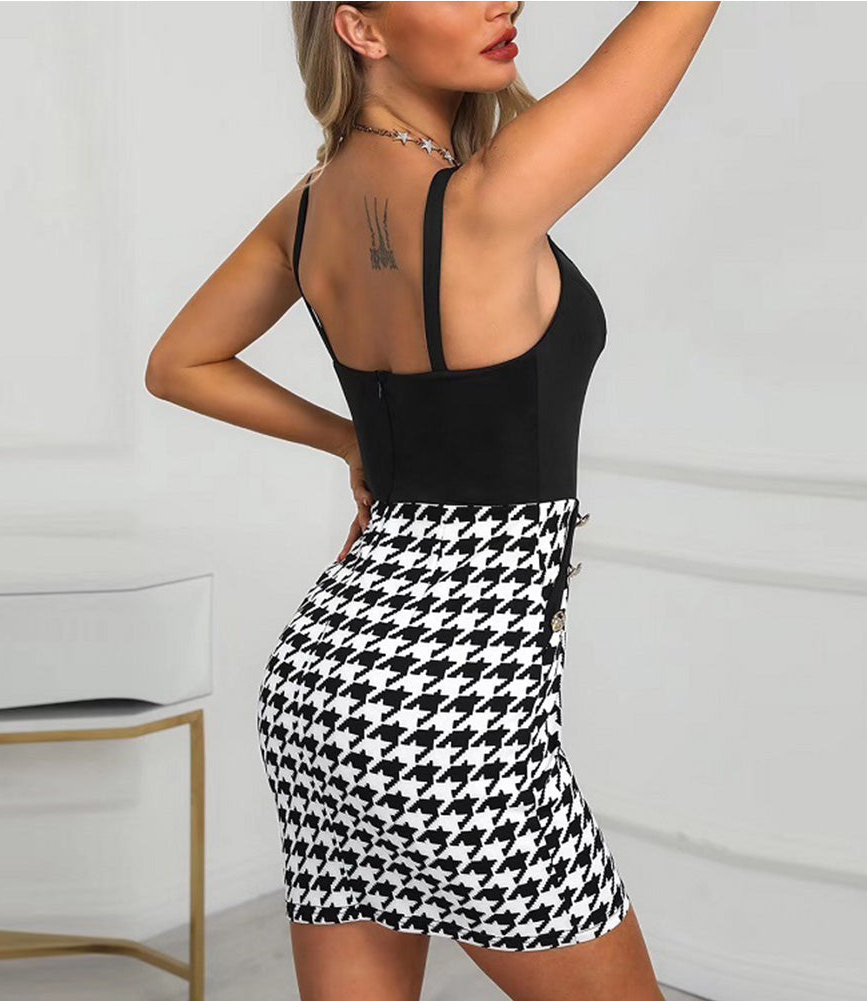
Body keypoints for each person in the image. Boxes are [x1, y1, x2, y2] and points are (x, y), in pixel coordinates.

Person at [146, 2, 719, 998]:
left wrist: (353, 441)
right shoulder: (490, 195)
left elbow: (178, 362)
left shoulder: (309, 209)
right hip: (448, 718)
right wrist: (352, 441)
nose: (503, 2)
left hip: (321, 688)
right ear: (361, 31)